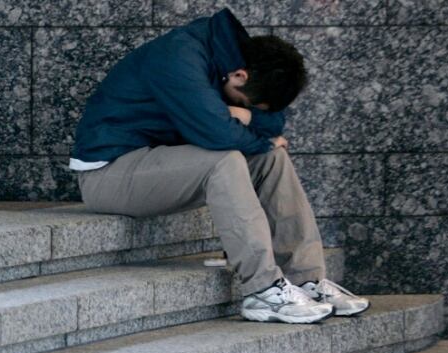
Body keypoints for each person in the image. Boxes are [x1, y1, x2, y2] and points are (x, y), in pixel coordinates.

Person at [69, 7, 369, 323]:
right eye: (243, 103)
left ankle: (305, 279)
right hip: (108, 174)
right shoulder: (180, 59)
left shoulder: (237, 58)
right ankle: (262, 290)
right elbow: (216, 133)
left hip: (160, 163)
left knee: (272, 158)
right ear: (240, 76)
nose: (237, 108)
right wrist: (260, 137)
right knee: (226, 159)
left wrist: (250, 116)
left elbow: (275, 120)